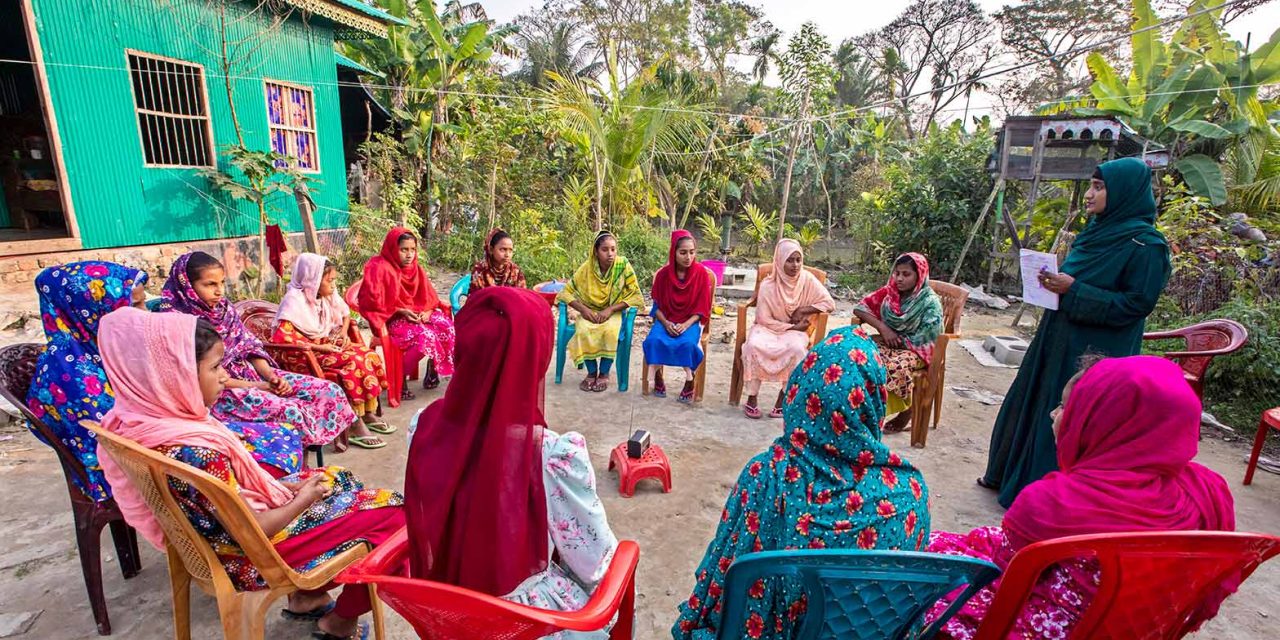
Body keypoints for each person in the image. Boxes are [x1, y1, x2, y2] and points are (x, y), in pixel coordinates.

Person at [94, 308, 404, 640]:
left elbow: (231, 507)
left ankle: (307, 598)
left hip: (218, 542)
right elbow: (250, 528)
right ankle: (339, 621)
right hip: (251, 557)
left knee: (338, 478)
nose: (225, 377)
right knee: (399, 517)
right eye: (214, 368)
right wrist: (302, 499)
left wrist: (290, 488)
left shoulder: (141, 422)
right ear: (173, 374)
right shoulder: (194, 452)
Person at [926, 356, 1236, 640]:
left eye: (1066, 407)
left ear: (1103, 423)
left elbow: (1004, 576)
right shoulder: (1208, 491)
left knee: (920, 583)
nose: (1053, 414)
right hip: (1134, 626)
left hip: (1046, 627)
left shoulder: (1052, 503)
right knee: (972, 541)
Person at [674, 327, 931, 639]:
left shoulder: (765, 476)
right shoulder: (910, 492)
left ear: (802, 390)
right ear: (872, 399)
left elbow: (722, 578)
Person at [406, 288, 618, 639]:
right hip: (518, 620)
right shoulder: (551, 454)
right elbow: (593, 561)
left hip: (448, 614)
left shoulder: (422, 428)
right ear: (535, 356)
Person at [25, 262, 301, 503]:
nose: (146, 313)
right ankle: (249, 521)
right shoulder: (71, 372)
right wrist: (211, 436)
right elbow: (124, 441)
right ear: (92, 309)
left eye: (144, 302)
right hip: (137, 466)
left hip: (168, 437)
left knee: (283, 432)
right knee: (272, 444)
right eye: (135, 305)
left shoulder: (108, 348)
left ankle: (266, 504)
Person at [982, 157, 1171, 507]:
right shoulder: (1095, 232)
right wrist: (1051, 283)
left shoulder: (1147, 247)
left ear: (1125, 193)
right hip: (1058, 335)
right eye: (1092, 185)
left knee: (1076, 414)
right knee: (1041, 402)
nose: (1089, 194)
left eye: (1099, 187)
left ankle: (1054, 498)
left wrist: (1074, 290)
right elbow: (1074, 282)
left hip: (1097, 350)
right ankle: (1017, 480)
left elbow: (1136, 305)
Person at [157, 252, 361, 450]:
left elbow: (250, 348)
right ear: (186, 285)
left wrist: (272, 377)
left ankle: (335, 438)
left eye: (221, 283)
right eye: (210, 284)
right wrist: (260, 386)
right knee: (291, 412)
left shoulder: (224, 310)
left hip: (253, 375)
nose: (219, 291)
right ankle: (295, 469)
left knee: (328, 390)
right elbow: (203, 377)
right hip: (221, 391)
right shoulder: (176, 324)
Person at [273, 253, 393, 448]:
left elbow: (345, 314)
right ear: (312, 280)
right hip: (302, 355)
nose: (333, 284)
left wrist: (344, 334)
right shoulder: (293, 301)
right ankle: (354, 424)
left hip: (324, 346)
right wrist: (322, 346)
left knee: (367, 355)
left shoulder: (326, 295)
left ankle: (367, 413)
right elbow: (284, 338)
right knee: (352, 363)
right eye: (329, 280)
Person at [740, 239, 835, 419]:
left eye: (798, 260)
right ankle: (752, 397)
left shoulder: (806, 279)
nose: (795, 265)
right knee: (753, 345)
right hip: (767, 329)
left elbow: (829, 303)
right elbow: (763, 319)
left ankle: (783, 399)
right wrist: (791, 325)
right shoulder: (768, 285)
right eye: (790, 260)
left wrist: (804, 309)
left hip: (794, 333)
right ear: (780, 260)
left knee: (797, 349)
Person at [357, 227, 455, 397]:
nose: (409, 255)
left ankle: (433, 368)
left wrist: (428, 311)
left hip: (417, 314)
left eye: (412, 250)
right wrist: (401, 311)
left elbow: (429, 297)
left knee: (446, 326)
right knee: (426, 337)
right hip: (391, 318)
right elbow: (371, 301)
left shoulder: (416, 269)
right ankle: (399, 378)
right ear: (393, 248)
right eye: (404, 250)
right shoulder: (378, 267)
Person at [853, 253, 944, 433]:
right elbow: (860, 308)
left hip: (916, 350)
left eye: (906, 274)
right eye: (897, 273)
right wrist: (883, 329)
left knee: (892, 366)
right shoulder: (891, 293)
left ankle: (903, 410)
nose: (899, 279)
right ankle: (860, 409)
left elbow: (927, 338)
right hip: (890, 341)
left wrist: (896, 339)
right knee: (858, 355)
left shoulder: (929, 303)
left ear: (920, 276)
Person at [557, 231, 644, 393]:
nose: (610, 254)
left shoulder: (623, 266)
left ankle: (604, 372)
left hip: (614, 311)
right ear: (595, 251)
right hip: (589, 310)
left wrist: (610, 309)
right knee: (583, 330)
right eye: (605, 249)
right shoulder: (586, 269)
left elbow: (635, 295)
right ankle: (591, 372)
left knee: (610, 332)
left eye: (613, 249)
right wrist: (583, 309)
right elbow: (565, 292)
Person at [642, 230, 713, 404]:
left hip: (691, 321)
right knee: (654, 341)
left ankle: (690, 380)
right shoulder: (663, 275)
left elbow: (702, 309)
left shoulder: (702, 274)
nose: (688, 257)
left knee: (687, 344)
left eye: (692, 252)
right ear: (673, 252)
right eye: (683, 252)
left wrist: (685, 325)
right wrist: (666, 324)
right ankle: (658, 375)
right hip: (665, 319)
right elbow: (656, 307)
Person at [468, 228, 527, 293]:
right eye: (503, 249)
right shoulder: (480, 270)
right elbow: (475, 298)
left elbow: (522, 295)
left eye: (510, 250)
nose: (507, 255)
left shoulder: (515, 271)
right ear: (491, 250)